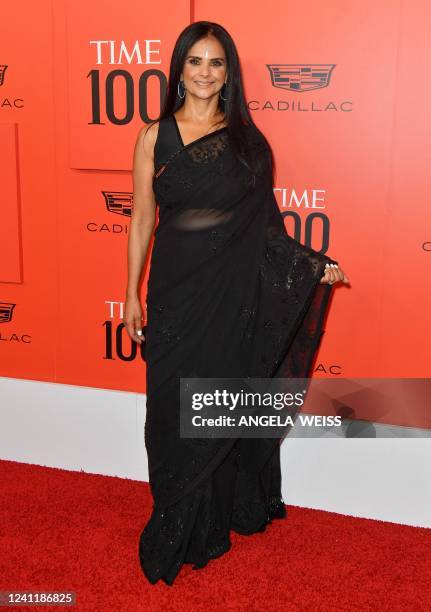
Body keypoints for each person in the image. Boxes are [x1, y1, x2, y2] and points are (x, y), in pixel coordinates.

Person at [124, 21, 349, 586]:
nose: (204, 73)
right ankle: (173, 513)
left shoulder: (249, 143)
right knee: (171, 412)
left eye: (216, 63)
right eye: (195, 61)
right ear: (178, 69)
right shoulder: (154, 136)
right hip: (174, 294)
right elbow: (143, 220)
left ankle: (210, 523)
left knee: (215, 404)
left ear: (230, 73)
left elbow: (267, 230)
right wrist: (130, 292)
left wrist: (312, 264)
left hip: (228, 298)